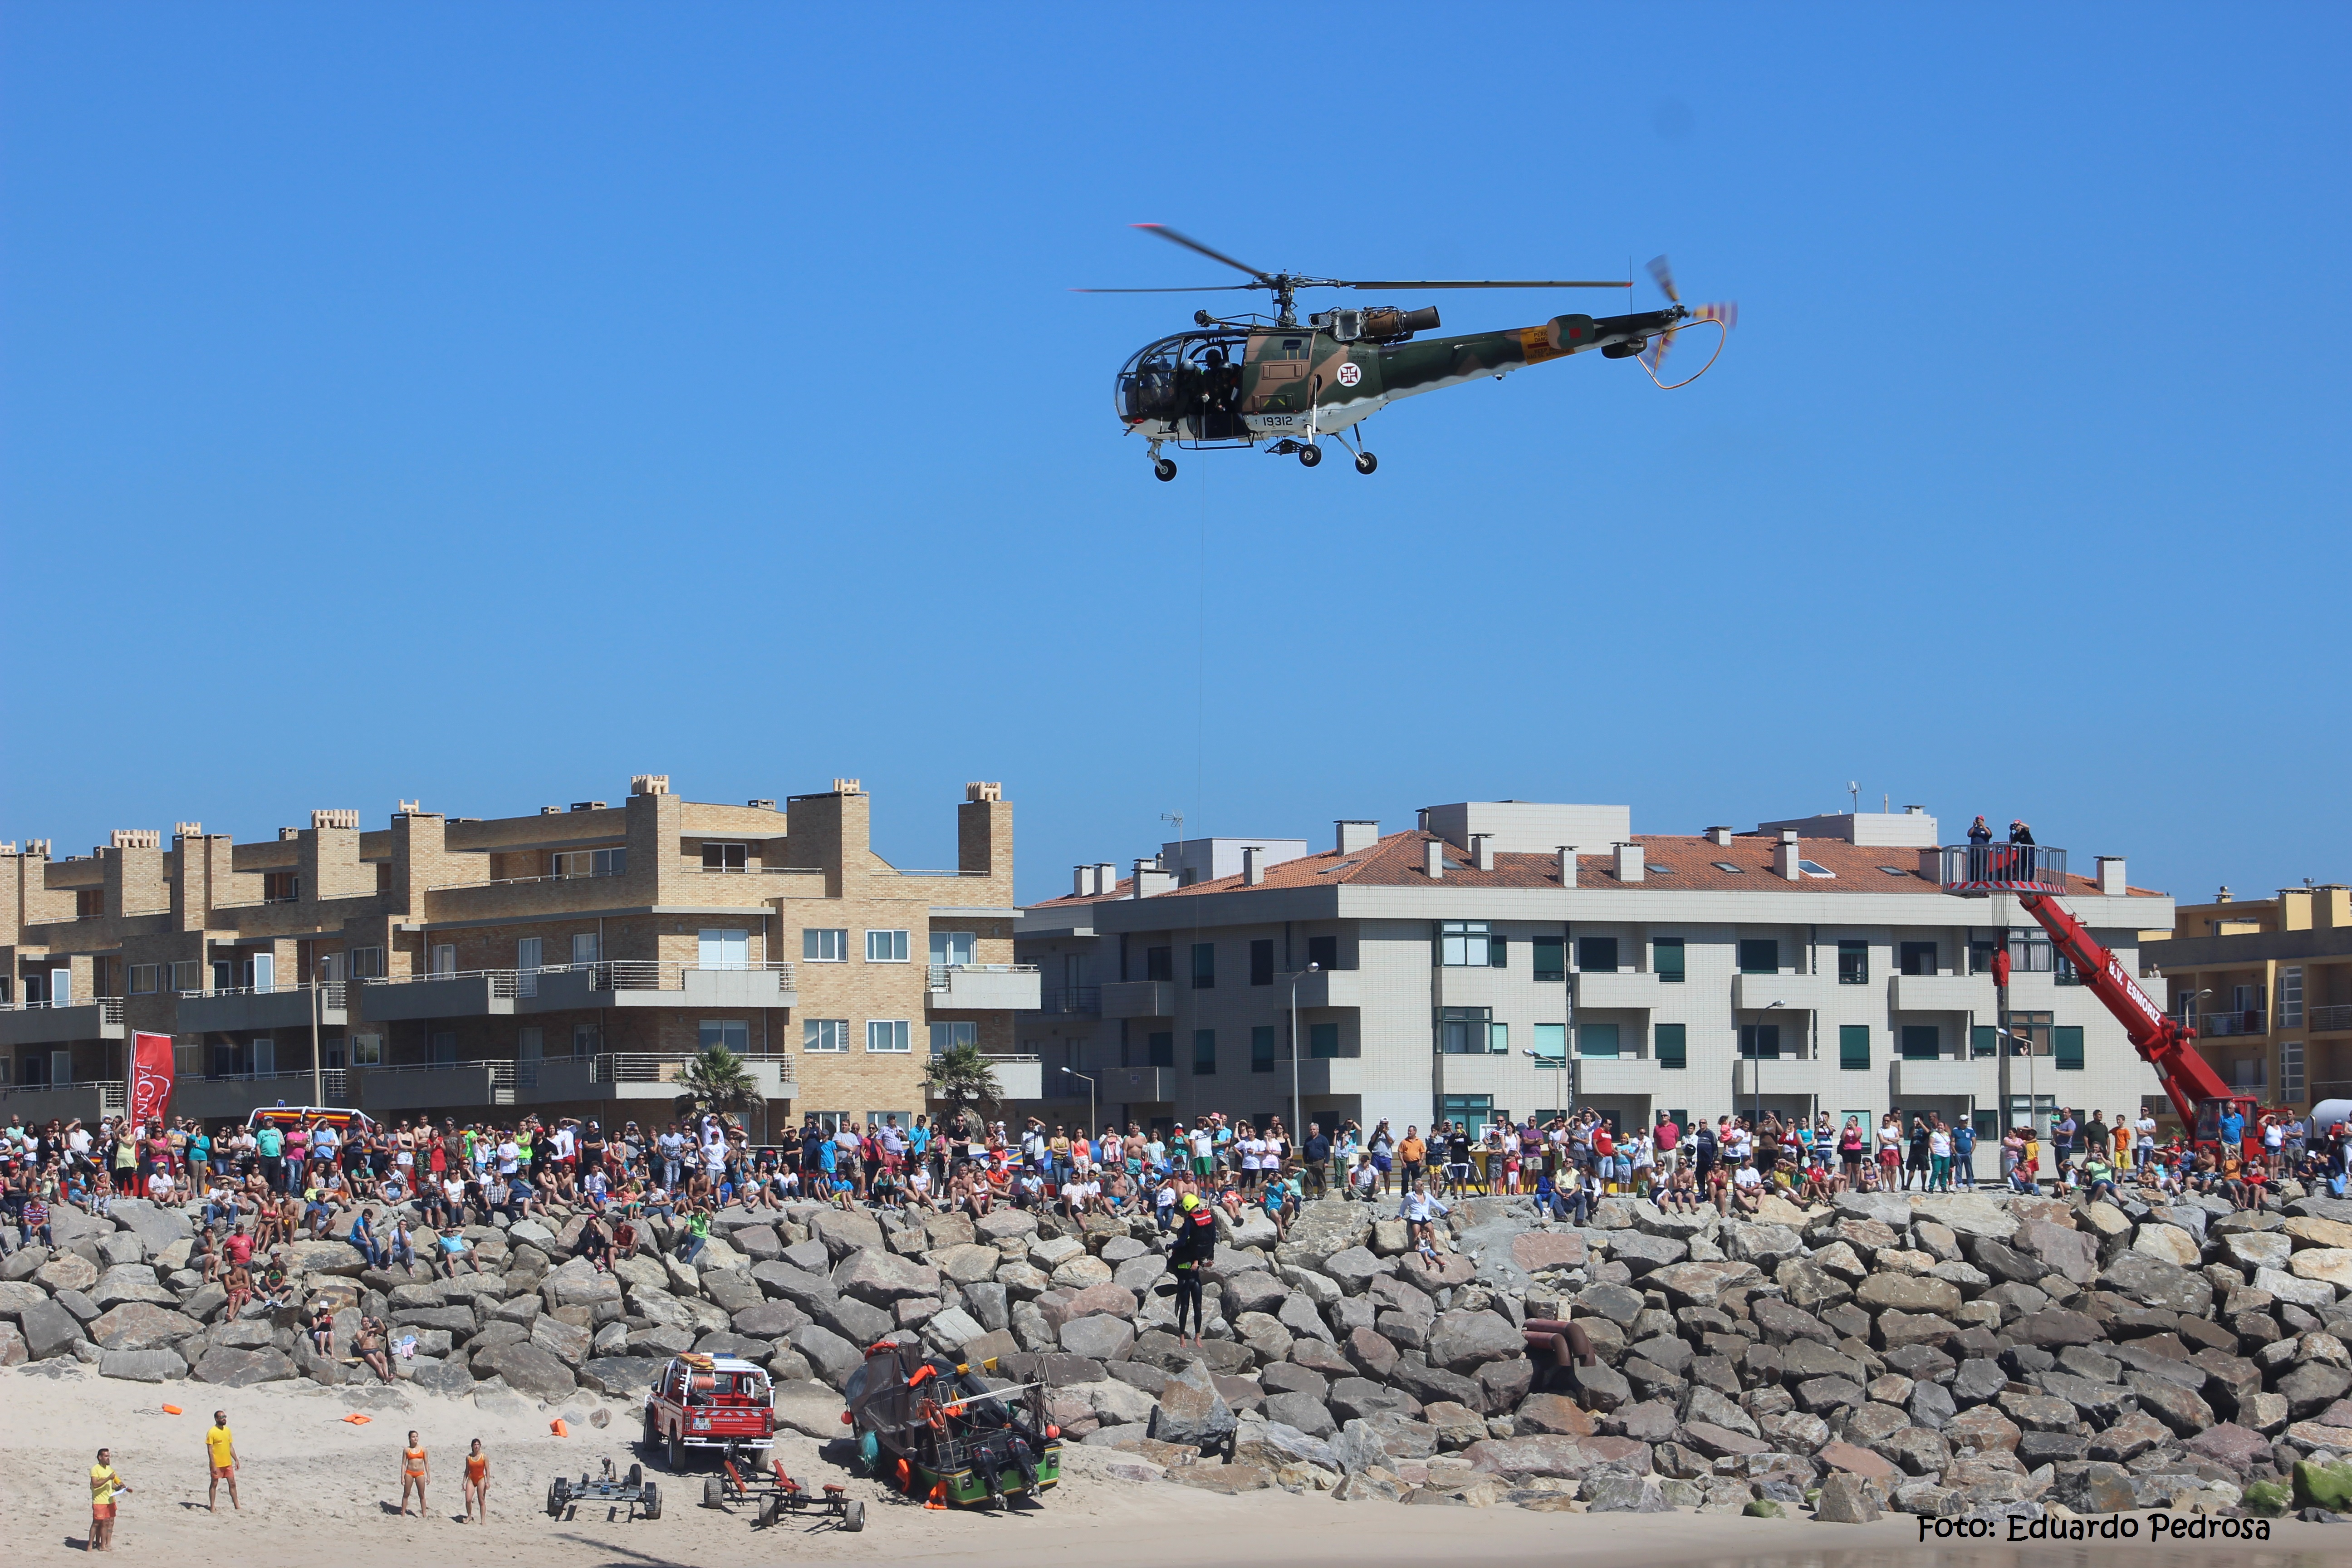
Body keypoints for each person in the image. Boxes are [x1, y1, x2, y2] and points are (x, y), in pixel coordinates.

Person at [1166, 1178, 1216, 1348]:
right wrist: (1210, 1257)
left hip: (1191, 1273)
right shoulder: (1209, 1216)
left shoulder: (1189, 1222)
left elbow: (1181, 1243)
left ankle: (1197, 1337)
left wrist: (1171, 1245)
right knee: (1188, 1307)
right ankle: (1182, 1338)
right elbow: (1213, 1237)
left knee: (1194, 1306)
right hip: (1200, 1259)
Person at [90, 1446, 132, 1551]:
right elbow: (95, 1484)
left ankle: (106, 1544)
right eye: (106, 1456)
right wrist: (109, 1478)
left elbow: (116, 1482)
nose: (108, 1458)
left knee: (109, 1522)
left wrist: (124, 1488)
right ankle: (93, 1545)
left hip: (110, 1500)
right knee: (98, 1523)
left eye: (109, 1456)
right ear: (100, 1457)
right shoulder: (95, 1469)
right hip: (100, 1500)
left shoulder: (110, 1469)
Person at [206, 1409, 240, 1512]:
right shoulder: (212, 1432)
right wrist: (213, 1465)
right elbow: (210, 1450)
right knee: (214, 1484)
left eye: (225, 1417)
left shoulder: (227, 1430)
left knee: (232, 1483)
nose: (224, 1419)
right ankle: (212, 1507)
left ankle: (237, 1505)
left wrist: (236, 1460)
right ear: (216, 1419)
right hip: (217, 1464)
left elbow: (230, 1447)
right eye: (221, 1417)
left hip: (227, 1463)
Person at [398, 1430, 431, 1519]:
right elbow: (404, 1463)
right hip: (409, 1473)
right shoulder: (407, 1450)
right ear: (410, 1438)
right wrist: (402, 1476)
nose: (415, 1438)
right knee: (406, 1493)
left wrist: (428, 1476)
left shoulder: (423, 1449)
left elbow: (426, 1463)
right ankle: (403, 1513)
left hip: (420, 1473)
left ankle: (424, 1515)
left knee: (422, 1494)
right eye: (413, 1437)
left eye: (417, 1436)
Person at [461, 1438, 490, 1523]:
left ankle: (483, 1521)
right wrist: (464, 1482)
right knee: (468, 1500)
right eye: (475, 1445)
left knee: (481, 1500)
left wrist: (488, 1482)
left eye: (478, 1445)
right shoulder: (469, 1457)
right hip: (471, 1479)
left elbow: (487, 1470)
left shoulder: (484, 1456)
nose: (476, 1446)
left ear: (480, 1446)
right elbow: (467, 1470)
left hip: (481, 1479)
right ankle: (469, 1516)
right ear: (472, 1447)